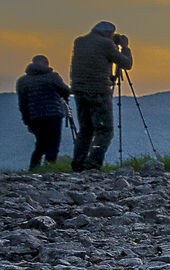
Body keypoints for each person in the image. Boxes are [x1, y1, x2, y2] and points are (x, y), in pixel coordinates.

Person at [68, 22, 132, 171]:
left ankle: (78, 165)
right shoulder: (106, 45)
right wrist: (125, 48)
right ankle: (93, 165)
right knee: (104, 130)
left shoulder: (80, 42)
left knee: (85, 129)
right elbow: (126, 64)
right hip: (98, 91)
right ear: (109, 33)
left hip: (78, 90)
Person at [15, 55, 73, 170]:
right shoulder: (53, 77)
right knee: (53, 145)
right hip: (53, 115)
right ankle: (49, 169)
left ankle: (34, 169)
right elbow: (65, 91)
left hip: (35, 117)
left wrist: (27, 121)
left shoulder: (22, 81)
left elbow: (22, 104)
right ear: (46, 63)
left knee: (40, 145)